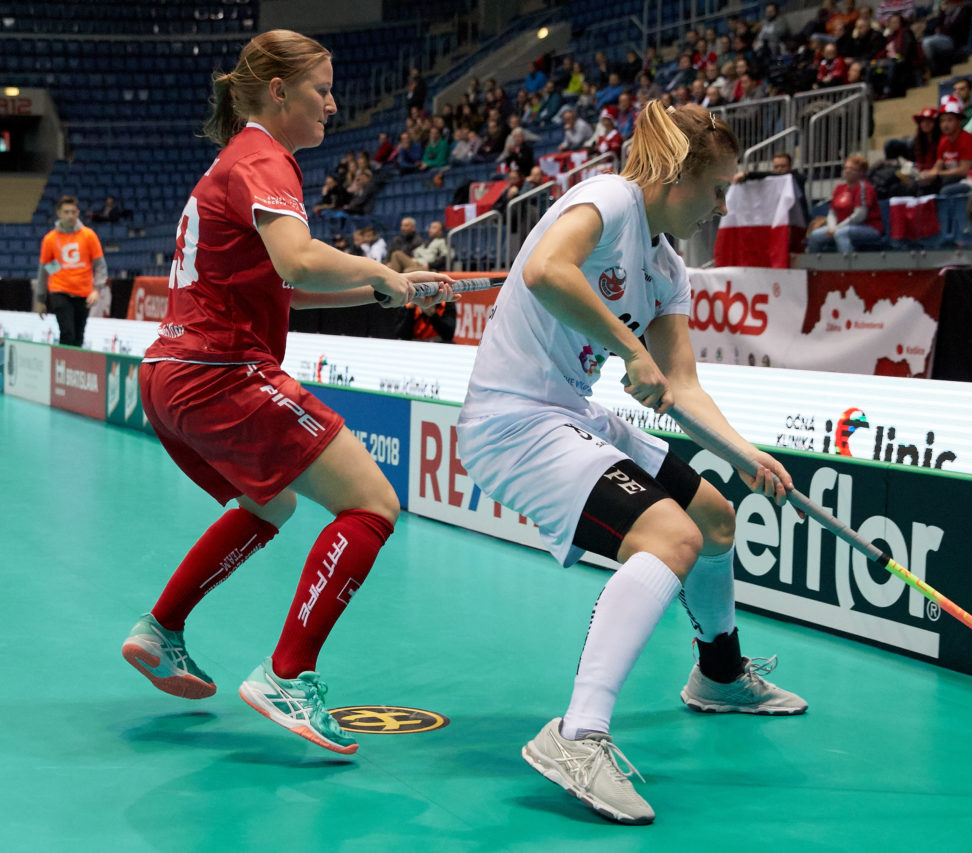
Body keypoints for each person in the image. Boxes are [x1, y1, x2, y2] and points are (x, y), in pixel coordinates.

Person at [455, 102, 807, 826]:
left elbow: (682, 386)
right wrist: (628, 348)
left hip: (573, 412)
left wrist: (745, 455)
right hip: (513, 422)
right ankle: (578, 736)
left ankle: (719, 676)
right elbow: (547, 269)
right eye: (716, 189)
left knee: (713, 518)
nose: (720, 207)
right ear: (678, 178)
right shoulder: (610, 199)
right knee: (671, 538)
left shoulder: (668, 266)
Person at [119, 30, 456, 756]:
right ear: (278, 91)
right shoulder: (264, 158)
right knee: (372, 503)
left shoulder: (236, 160)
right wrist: (378, 269)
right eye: (321, 90)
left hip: (170, 374)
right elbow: (298, 259)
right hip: (220, 371)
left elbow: (286, 286)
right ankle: (288, 674)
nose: (333, 106)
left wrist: (386, 285)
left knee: (271, 503)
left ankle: (161, 627)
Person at [36, 195, 106, 347]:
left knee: (78, 336)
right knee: (67, 333)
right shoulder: (50, 239)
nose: (70, 216)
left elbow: (100, 265)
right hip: (60, 292)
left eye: (73, 212)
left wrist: (97, 289)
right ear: (59, 213)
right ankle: (63, 361)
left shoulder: (88, 236)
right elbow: (43, 270)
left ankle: (73, 362)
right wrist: (40, 299)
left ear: (78, 213)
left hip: (83, 294)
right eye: (66, 212)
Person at [806, 154, 883, 253]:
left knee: (841, 233)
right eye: (845, 168)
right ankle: (815, 262)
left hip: (868, 227)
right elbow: (832, 212)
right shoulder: (839, 188)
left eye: (852, 169)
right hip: (840, 227)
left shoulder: (865, 188)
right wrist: (832, 227)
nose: (847, 171)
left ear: (861, 172)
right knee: (815, 235)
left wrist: (837, 228)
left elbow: (859, 216)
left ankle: (848, 263)